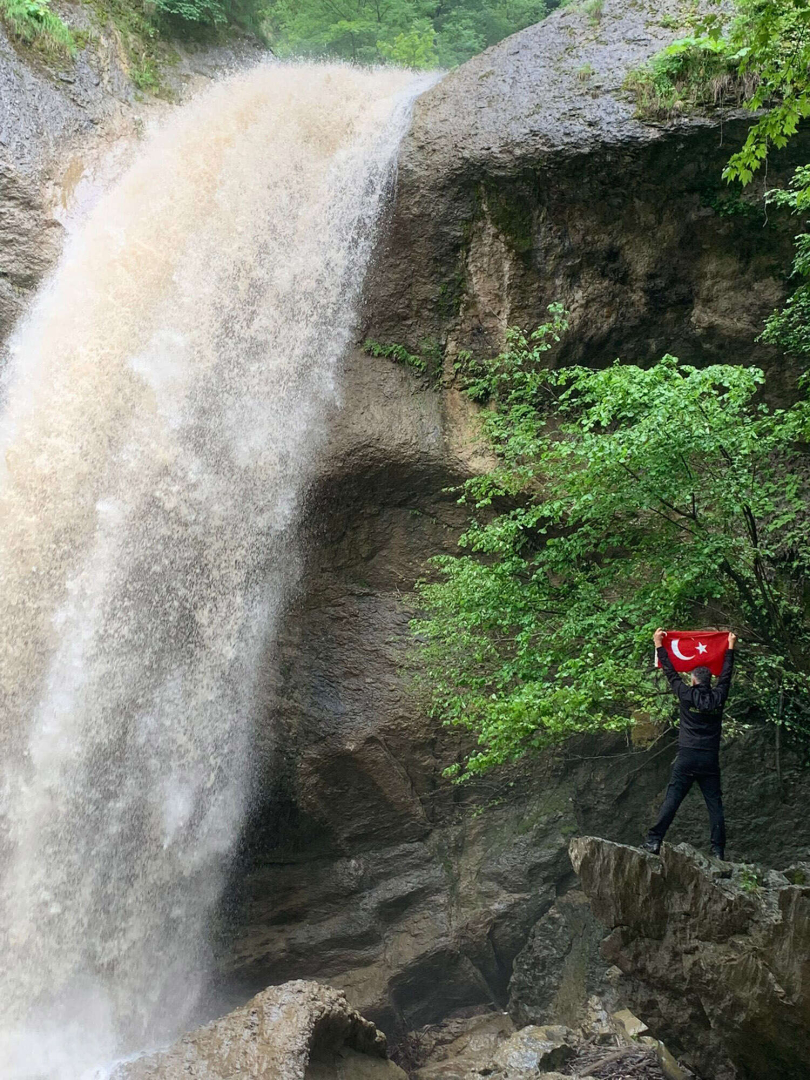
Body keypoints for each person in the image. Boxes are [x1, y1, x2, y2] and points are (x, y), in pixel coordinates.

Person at [642, 628, 736, 861]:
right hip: (709, 758)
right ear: (709, 681)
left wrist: (658, 645)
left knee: (673, 798)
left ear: (693, 680)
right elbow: (726, 675)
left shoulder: (686, 695)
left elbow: (671, 674)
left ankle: (654, 840)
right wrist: (731, 647)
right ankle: (718, 851)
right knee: (714, 803)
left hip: (687, 756)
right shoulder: (718, 697)